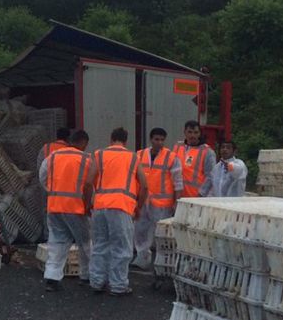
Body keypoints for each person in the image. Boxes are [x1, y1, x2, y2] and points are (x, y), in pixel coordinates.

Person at [88, 127, 148, 296]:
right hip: (121, 207)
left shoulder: (99, 154)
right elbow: (144, 185)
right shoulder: (133, 157)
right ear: (126, 141)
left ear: (111, 139)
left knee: (100, 245)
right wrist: (139, 207)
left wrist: (88, 204)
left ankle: (97, 282)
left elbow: (88, 181)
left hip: (100, 207)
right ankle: (118, 286)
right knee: (122, 248)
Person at [38, 129, 93, 291]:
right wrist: (89, 204)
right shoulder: (86, 159)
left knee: (57, 242)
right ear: (84, 142)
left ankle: (52, 277)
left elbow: (42, 176)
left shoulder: (53, 157)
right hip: (76, 208)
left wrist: (52, 191)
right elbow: (91, 184)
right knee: (85, 242)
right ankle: (87, 276)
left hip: (55, 206)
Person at [133, 127, 182, 270]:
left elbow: (178, 182)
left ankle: (162, 261)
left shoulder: (171, 157)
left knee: (162, 233)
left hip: (162, 203)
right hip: (143, 200)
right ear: (151, 139)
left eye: (162, 140)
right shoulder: (139, 155)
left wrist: (176, 202)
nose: (159, 142)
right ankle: (142, 258)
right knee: (140, 230)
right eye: (156, 139)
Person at [172, 120, 214, 198]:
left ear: (200, 133)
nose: (192, 135)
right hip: (178, 196)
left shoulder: (207, 151)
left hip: (195, 196)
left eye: (196, 132)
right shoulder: (177, 147)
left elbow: (211, 176)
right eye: (190, 132)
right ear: (185, 132)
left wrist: (201, 194)